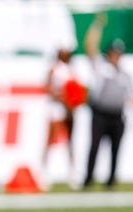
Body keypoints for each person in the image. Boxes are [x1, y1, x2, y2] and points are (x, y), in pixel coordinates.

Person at [82, 13, 133, 189]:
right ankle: (88, 179)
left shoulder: (126, 75)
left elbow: (132, 96)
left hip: (117, 116)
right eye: (114, 52)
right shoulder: (101, 67)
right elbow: (90, 46)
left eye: (119, 53)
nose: (116, 56)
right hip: (100, 114)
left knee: (116, 149)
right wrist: (97, 25)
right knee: (94, 148)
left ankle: (111, 181)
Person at [41, 45, 86, 189]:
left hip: (69, 110)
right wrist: (63, 97)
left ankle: (73, 173)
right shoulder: (54, 68)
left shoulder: (73, 69)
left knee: (70, 141)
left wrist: (75, 99)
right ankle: (44, 172)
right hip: (56, 109)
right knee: (50, 140)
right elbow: (48, 88)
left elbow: (78, 89)